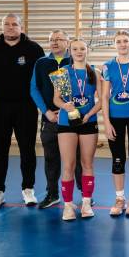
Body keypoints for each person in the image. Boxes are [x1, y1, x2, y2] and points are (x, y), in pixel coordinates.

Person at [0, 13, 44, 210]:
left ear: (21, 27)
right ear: (2, 27)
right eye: (7, 24)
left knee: (27, 149)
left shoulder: (34, 49)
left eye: (14, 24)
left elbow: (40, 77)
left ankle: (28, 189)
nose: (10, 27)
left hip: (26, 107)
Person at [30, 29, 82, 209]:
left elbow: (85, 89)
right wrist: (47, 112)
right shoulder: (41, 63)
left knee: (77, 158)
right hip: (50, 119)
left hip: (72, 119)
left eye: (59, 39)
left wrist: (70, 111)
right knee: (51, 158)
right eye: (51, 39)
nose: (54, 42)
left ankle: (85, 194)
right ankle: (52, 194)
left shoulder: (75, 60)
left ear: (67, 42)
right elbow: (34, 89)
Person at [53, 39, 101, 221]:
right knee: (68, 165)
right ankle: (68, 206)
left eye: (82, 48)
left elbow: (102, 100)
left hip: (88, 121)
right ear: (70, 51)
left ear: (87, 50)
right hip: (67, 122)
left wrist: (89, 114)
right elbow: (56, 99)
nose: (79, 52)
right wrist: (65, 106)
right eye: (75, 49)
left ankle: (86, 203)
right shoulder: (62, 72)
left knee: (87, 164)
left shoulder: (95, 72)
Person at [101, 31, 129, 217]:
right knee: (118, 159)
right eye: (119, 41)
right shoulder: (108, 66)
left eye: (125, 41)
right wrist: (106, 122)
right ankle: (119, 198)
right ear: (114, 44)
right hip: (115, 117)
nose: (122, 44)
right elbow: (105, 96)